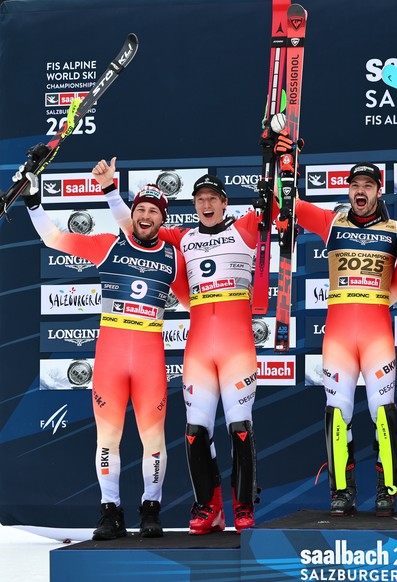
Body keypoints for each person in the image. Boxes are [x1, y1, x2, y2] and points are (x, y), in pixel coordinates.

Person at [97, 157, 272, 534]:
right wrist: (111, 192)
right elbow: (139, 228)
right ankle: (209, 508)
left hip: (237, 347)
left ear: (224, 203)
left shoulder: (245, 229)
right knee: (195, 431)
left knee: (241, 426)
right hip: (198, 350)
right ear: (194, 204)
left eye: (213, 199)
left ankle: (243, 506)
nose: (207, 205)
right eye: (200, 199)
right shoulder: (181, 239)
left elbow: (277, 208)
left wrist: (276, 174)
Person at [20, 169, 188, 540]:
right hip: (111, 363)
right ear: (134, 213)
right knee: (107, 440)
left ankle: (150, 509)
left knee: (154, 442)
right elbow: (54, 238)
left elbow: (202, 304)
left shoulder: (174, 260)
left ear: (164, 219)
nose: (146, 217)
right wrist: (33, 201)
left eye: (153, 212)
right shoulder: (111, 245)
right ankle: (110, 512)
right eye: (141, 209)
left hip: (150, 365)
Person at [288, 151, 397, 516]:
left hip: (376, 336)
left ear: (378, 191)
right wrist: (283, 166)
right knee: (337, 413)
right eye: (355, 185)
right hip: (339, 338)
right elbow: (292, 205)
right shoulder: (332, 222)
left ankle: (387, 488)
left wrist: (375, 300)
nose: (361, 191)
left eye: (368, 185)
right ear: (348, 190)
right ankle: (341, 491)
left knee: (383, 413)